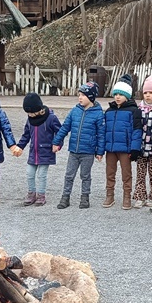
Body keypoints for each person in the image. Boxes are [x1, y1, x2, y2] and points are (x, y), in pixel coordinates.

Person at [53, 82, 104, 210]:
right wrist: (56, 142)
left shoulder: (98, 114)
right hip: (73, 151)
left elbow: (101, 134)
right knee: (69, 175)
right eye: (79, 95)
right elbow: (65, 127)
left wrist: (100, 151)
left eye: (83, 95)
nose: (80, 98)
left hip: (88, 152)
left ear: (91, 97)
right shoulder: (74, 111)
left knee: (85, 176)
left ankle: (85, 197)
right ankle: (65, 197)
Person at [101, 75, 143, 210]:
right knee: (110, 173)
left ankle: (127, 196)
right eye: (116, 94)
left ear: (127, 96)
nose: (117, 97)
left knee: (126, 174)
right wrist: (100, 149)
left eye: (121, 94)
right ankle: (110, 195)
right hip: (111, 149)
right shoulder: (109, 111)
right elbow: (104, 131)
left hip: (125, 149)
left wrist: (135, 148)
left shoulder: (134, 111)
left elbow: (137, 130)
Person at [16, 92, 63, 206]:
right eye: (28, 113)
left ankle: (41, 195)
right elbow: (26, 135)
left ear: (38, 109)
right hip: (33, 152)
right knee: (29, 173)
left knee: (42, 175)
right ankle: (31, 194)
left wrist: (57, 144)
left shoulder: (51, 118)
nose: (30, 115)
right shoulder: (30, 120)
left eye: (31, 113)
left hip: (46, 152)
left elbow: (60, 132)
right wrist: (20, 146)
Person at [133, 75, 152, 208]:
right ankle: (140, 197)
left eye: (151, 92)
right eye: (145, 93)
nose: (148, 95)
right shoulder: (139, 109)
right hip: (141, 147)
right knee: (140, 174)